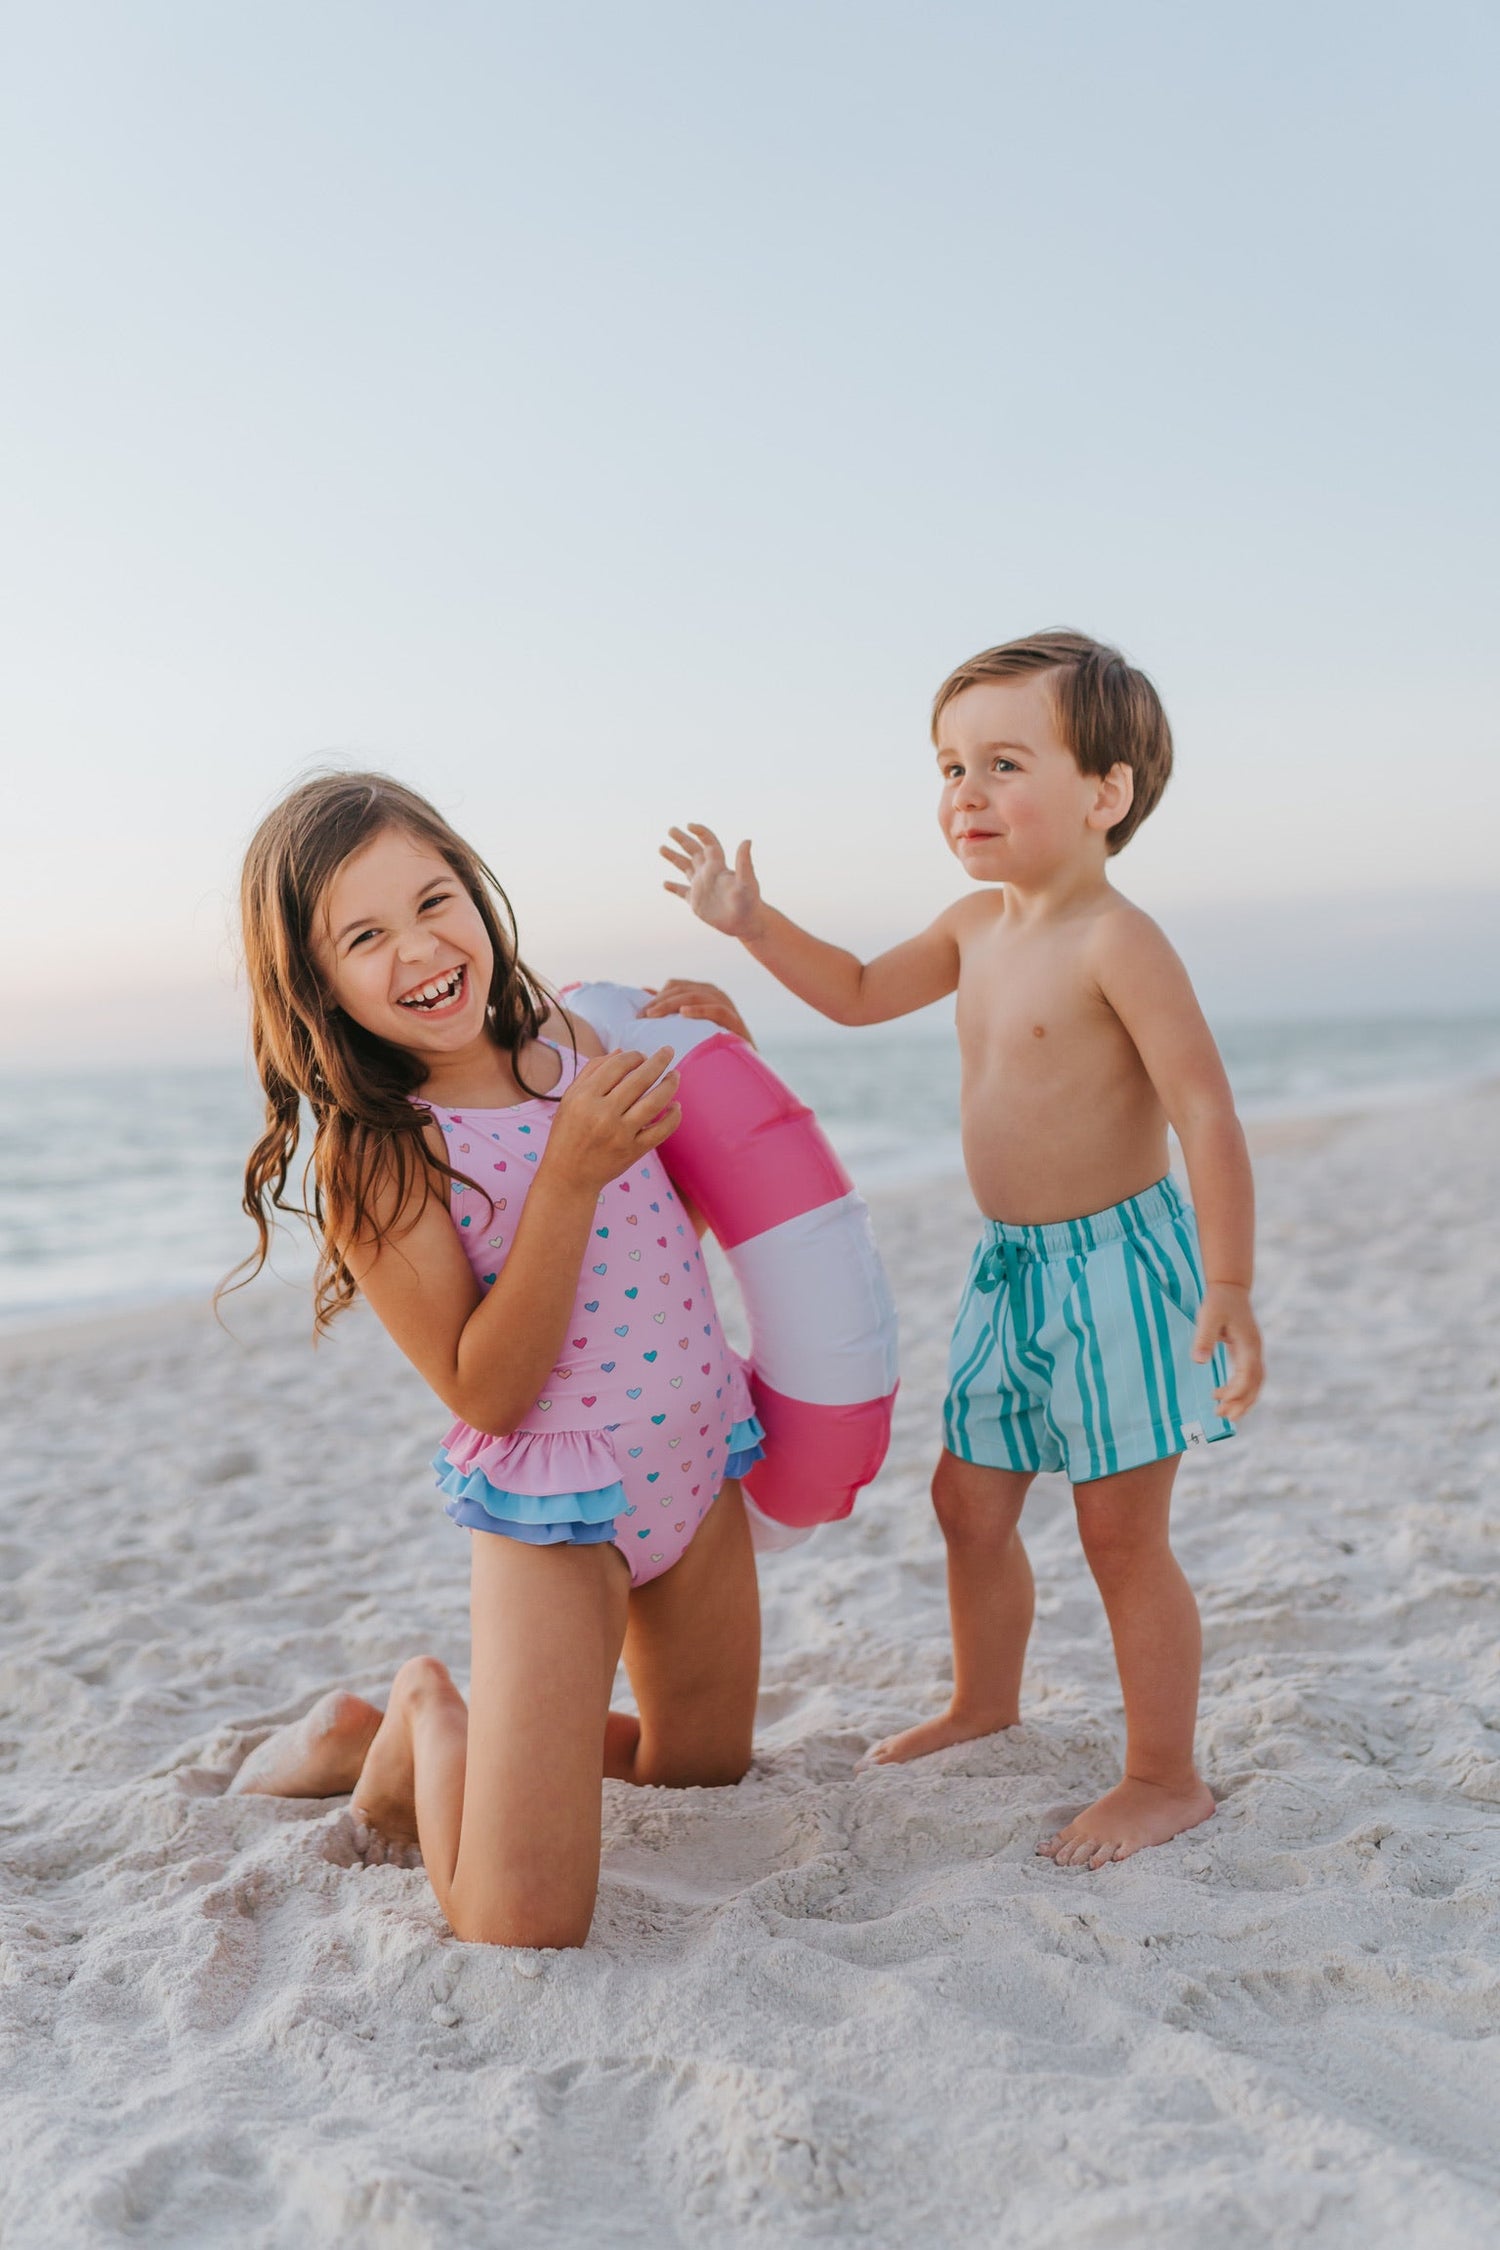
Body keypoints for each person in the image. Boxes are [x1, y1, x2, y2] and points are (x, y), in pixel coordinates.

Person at [660, 629, 1264, 1869]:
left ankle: (1164, 1775)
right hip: (1012, 1269)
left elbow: (1206, 1110)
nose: (966, 794)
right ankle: (986, 1700)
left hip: (1117, 1273)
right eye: (949, 767)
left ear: (1106, 794)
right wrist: (751, 927)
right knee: (967, 1503)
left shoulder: (1118, 941)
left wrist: (1233, 1283)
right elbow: (861, 990)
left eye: (1002, 763)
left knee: (1119, 1534)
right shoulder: (972, 925)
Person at [225, 771, 765, 1947]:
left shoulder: (576, 1038)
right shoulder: (385, 1156)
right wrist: (568, 1173)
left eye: (433, 900)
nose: (419, 949)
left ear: (474, 886)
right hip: (559, 1511)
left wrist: (726, 1062)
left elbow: (668, 1236)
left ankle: (500, 1746)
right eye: (365, 937)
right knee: (521, 1923)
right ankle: (413, 1717)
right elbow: (488, 1387)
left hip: (692, 1465)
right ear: (316, 985)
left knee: (702, 1780)